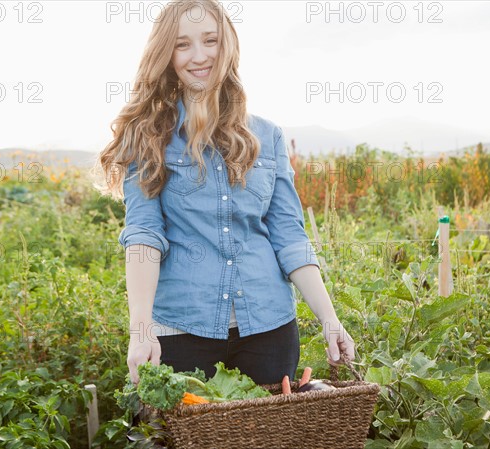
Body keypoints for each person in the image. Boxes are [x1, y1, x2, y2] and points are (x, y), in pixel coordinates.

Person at [95, 0, 355, 386]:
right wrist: (141, 328)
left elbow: (289, 236)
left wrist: (330, 319)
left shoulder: (268, 136)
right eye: (182, 44)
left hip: (269, 326)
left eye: (210, 40)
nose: (199, 56)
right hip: (182, 327)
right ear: (167, 54)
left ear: (227, 45)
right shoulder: (148, 137)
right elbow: (144, 236)